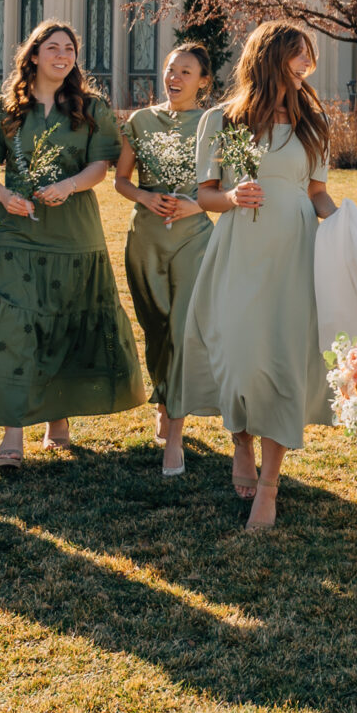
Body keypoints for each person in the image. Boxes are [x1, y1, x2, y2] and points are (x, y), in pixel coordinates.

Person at [183, 23, 337, 533]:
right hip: (240, 248)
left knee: (281, 361)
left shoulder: (313, 121)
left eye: (308, 59)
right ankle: (241, 440)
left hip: (295, 249)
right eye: (298, 57)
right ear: (270, 60)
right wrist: (230, 198)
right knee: (241, 358)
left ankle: (269, 487)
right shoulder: (222, 120)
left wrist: (342, 227)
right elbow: (204, 195)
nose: (305, 67)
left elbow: (315, 192)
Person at [0, 21, 144, 466]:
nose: (63, 55)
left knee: (65, 321)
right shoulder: (3, 108)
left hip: (74, 233)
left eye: (70, 48)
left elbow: (100, 168)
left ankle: (58, 418)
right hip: (16, 234)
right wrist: (5, 195)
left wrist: (68, 185)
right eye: (53, 47)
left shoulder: (91, 107)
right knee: (15, 328)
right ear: (32, 56)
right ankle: (13, 431)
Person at [113, 44, 216, 477]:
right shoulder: (140, 121)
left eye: (186, 71)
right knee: (154, 328)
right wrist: (144, 196)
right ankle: (163, 394)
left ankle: (174, 433)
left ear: (203, 81)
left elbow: (227, 185)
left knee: (180, 330)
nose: (174, 77)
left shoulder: (216, 123)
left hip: (194, 238)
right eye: (170, 69)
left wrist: (196, 205)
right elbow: (120, 179)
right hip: (145, 239)